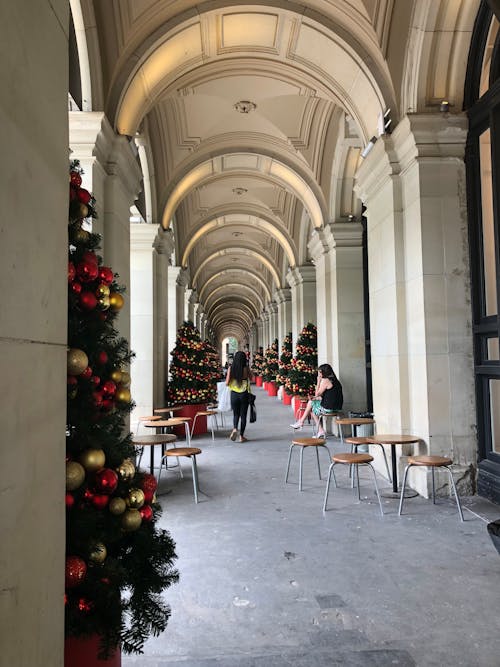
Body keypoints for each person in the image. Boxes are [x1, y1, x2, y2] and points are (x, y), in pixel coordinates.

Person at [290, 364, 343, 437]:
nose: (319, 374)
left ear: (323, 372)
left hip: (329, 408)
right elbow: (330, 396)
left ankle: (303, 422)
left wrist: (318, 381)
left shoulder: (325, 380)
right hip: (336, 407)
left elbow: (317, 393)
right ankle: (303, 423)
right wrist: (316, 398)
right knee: (312, 404)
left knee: (311, 406)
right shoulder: (335, 380)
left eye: (320, 372)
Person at [226, 350, 254, 442]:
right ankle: (241, 436)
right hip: (244, 393)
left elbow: (227, 383)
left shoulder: (231, 368)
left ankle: (234, 428)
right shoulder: (246, 368)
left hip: (234, 394)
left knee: (236, 414)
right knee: (243, 415)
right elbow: (252, 378)